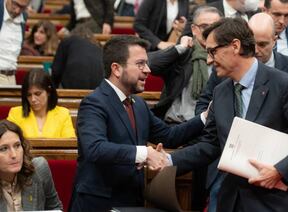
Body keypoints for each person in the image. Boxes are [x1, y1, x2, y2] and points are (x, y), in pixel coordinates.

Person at [167, 17, 288, 212]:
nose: (209, 60)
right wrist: (169, 161)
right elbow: (211, 144)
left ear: (235, 46)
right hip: (232, 201)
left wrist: (280, 171)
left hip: (275, 201)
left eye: (213, 51)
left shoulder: (284, 85)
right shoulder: (220, 92)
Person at [69, 35, 207, 211]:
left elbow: (169, 136)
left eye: (147, 63)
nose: (148, 70)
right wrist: (144, 153)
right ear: (116, 69)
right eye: (140, 64)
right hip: (99, 204)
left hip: (132, 202)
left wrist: (205, 117)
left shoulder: (138, 104)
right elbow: (95, 148)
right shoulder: (94, 102)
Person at [148, 6, 222, 120]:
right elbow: (149, 63)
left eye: (215, 26)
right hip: (177, 123)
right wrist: (179, 48)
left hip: (209, 128)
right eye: (204, 26)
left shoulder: (226, 57)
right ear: (194, 29)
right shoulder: (184, 54)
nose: (209, 31)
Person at [0, 120, 62, 210]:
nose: (14, 155)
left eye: (17, 146)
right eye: (4, 149)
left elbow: (55, 208)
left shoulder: (39, 169)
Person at [7, 69, 75, 139]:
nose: (33, 99)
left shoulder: (63, 114)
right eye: (29, 95)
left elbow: (69, 145)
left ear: (48, 92)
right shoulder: (15, 113)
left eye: (38, 94)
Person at [0, 0, 30, 85]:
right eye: (15, 4)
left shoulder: (23, 17)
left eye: (22, 7)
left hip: (11, 77)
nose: (17, 10)